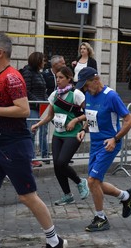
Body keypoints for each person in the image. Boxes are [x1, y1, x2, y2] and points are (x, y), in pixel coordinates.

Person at [0, 32, 67, 248]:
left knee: (26, 195)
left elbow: (24, 110)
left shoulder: (12, 78)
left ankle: (54, 241)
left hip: (14, 145)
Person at [73, 67, 131, 231]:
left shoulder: (111, 96)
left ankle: (100, 218)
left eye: (87, 85)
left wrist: (115, 139)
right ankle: (126, 196)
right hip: (95, 145)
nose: (86, 89)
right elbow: (90, 116)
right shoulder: (89, 94)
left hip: (109, 144)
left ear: (96, 79)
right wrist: (83, 129)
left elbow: (130, 120)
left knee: (92, 181)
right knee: (95, 183)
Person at [32, 66, 90, 206]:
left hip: (73, 133)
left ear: (69, 78)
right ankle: (67, 195)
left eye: (61, 78)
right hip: (58, 133)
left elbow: (88, 113)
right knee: (57, 166)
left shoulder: (77, 94)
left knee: (61, 162)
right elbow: (50, 116)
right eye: (57, 77)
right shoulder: (54, 95)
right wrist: (37, 125)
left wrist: (76, 120)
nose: (58, 80)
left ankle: (80, 182)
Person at [21, 51, 48, 166]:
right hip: (33, 107)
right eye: (43, 60)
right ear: (38, 61)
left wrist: (46, 101)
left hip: (41, 106)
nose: (45, 62)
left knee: (39, 132)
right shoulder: (27, 72)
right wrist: (37, 102)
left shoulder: (38, 73)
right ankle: (31, 158)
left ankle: (33, 157)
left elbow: (43, 90)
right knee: (31, 132)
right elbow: (26, 91)